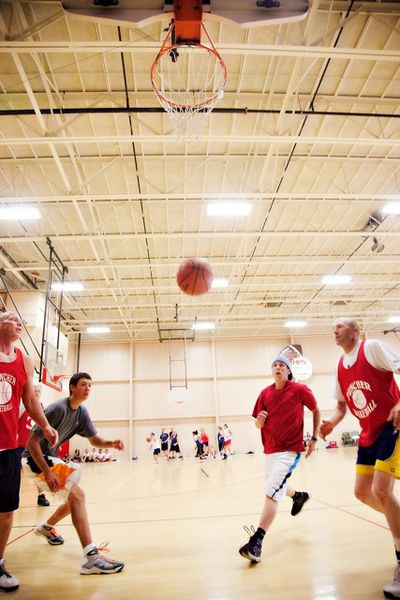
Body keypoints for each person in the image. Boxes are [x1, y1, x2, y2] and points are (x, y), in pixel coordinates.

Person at [320, 317, 400, 599]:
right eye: (333, 327)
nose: (334, 330)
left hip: (393, 425)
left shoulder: (373, 348)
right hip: (368, 435)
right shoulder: (339, 367)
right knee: (362, 492)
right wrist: (331, 423)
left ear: (354, 330)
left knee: (381, 489)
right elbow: (341, 407)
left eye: (339, 325)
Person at [24, 371, 124, 575]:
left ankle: (46, 527)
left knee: (73, 500)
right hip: (36, 460)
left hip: (52, 459)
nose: (88, 389)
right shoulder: (57, 409)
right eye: (83, 385)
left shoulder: (81, 413)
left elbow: (94, 440)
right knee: (78, 496)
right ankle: (92, 558)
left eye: (90, 385)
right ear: (72, 387)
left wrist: (110, 443)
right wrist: (47, 472)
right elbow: (31, 443)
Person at [239, 356, 320, 563]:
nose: (277, 368)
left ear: (288, 371)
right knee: (277, 486)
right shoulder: (265, 393)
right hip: (271, 449)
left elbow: (316, 410)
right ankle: (298, 496)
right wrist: (259, 421)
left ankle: (257, 541)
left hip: (290, 450)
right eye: (274, 365)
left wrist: (314, 437)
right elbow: (258, 425)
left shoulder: (300, 390)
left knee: (272, 491)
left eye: (281, 365)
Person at [0, 311, 58, 593]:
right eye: (12, 319)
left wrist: (46, 426)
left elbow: (30, 399)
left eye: (20, 321)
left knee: (6, 509)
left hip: (9, 445)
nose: (19, 323)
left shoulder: (24, 360)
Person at [18, 384, 50, 506]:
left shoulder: (45, 408)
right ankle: (12, 496)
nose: (36, 393)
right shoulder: (23, 404)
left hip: (35, 445)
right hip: (20, 444)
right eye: (34, 391)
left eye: (38, 391)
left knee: (37, 471)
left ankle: (41, 495)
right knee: (14, 473)